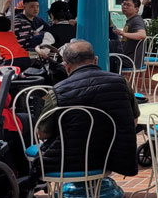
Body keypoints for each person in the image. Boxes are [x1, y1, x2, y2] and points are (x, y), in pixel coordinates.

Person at [35, 40, 140, 178]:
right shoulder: (121, 82)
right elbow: (133, 121)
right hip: (115, 157)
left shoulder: (58, 91)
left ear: (66, 67)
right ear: (96, 60)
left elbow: (42, 134)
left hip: (67, 161)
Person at [112, 0, 147, 69]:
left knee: (108, 58)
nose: (124, 6)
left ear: (136, 9)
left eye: (128, 5)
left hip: (130, 60)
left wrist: (123, 33)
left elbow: (142, 35)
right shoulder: (130, 20)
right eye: (123, 4)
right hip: (125, 57)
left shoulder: (136, 20)